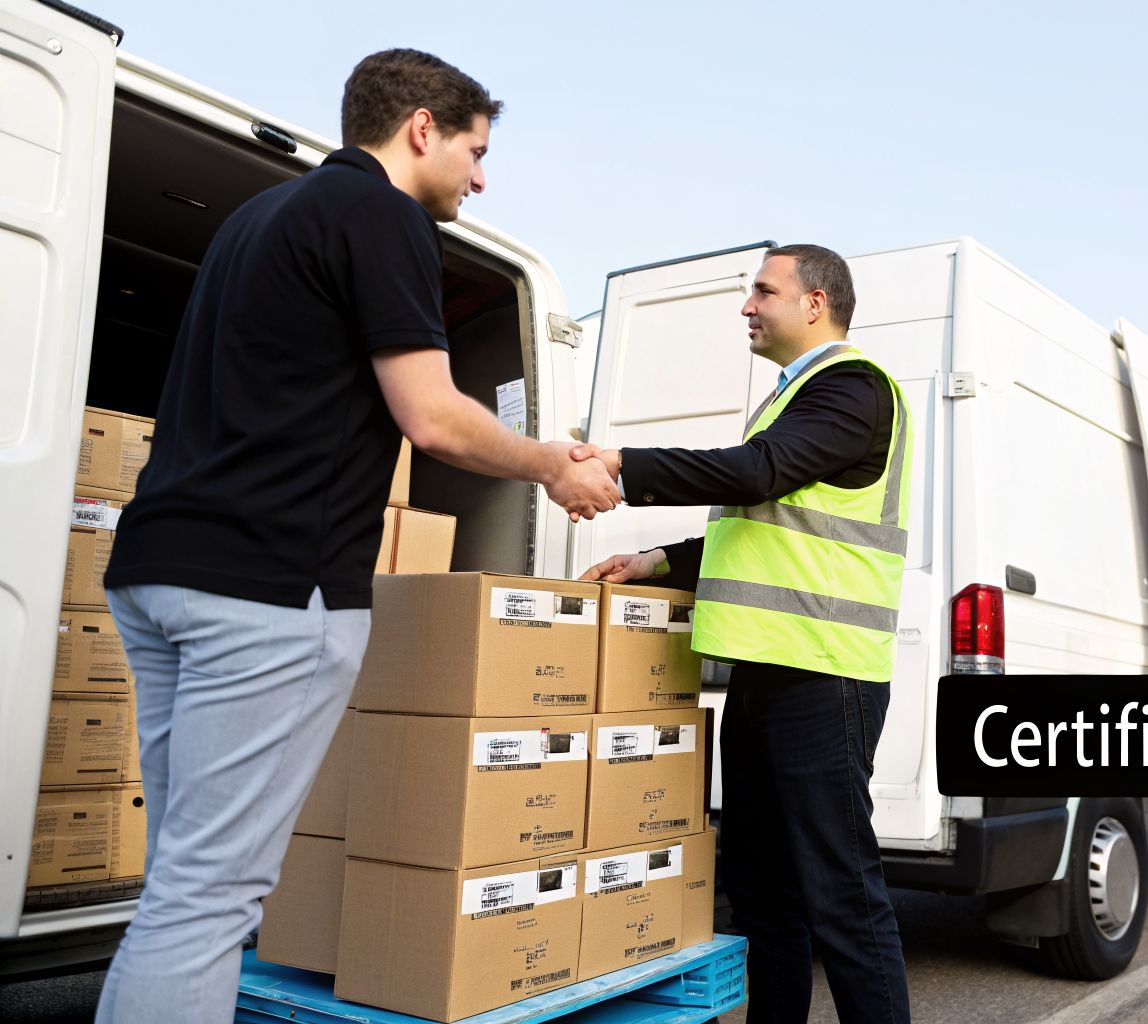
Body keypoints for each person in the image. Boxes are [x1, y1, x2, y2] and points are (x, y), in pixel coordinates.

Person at [96, 49, 619, 1023]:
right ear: (421, 127)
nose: (480, 174)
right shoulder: (382, 216)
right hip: (265, 592)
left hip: (160, 571)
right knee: (208, 899)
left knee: (179, 888)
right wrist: (553, 462)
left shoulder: (259, 217)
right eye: (475, 148)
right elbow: (431, 414)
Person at [579, 244, 913, 1023]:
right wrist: (658, 559)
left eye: (764, 291)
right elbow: (757, 527)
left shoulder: (853, 389)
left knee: (842, 898)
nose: (747, 307)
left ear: (815, 303)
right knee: (763, 893)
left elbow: (757, 472)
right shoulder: (794, 400)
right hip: (768, 675)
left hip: (827, 675)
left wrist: (623, 466)